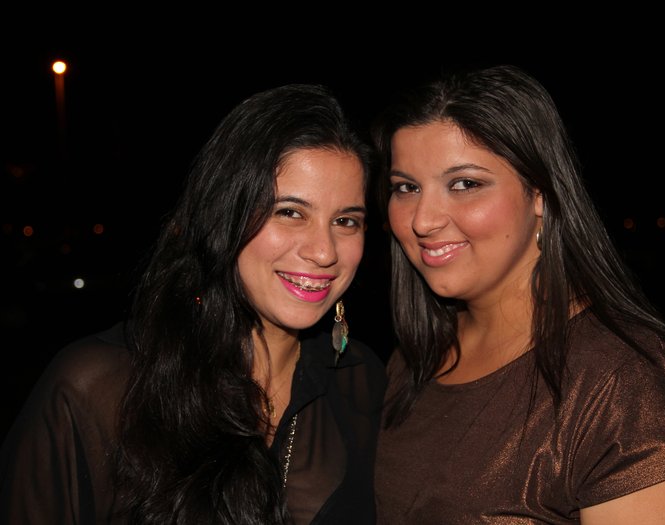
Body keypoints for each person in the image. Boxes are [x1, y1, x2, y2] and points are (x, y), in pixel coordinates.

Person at [371, 64, 665, 524]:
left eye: (465, 184)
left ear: (540, 194)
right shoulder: (414, 357)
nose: (422, 219)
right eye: (406, 188)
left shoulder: (631, 385)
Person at [0, 84, 386, 524]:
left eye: (346, 220)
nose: (324, 251)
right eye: (289, 212)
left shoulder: (362, 381)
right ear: (224, 214)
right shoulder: (99, 389)